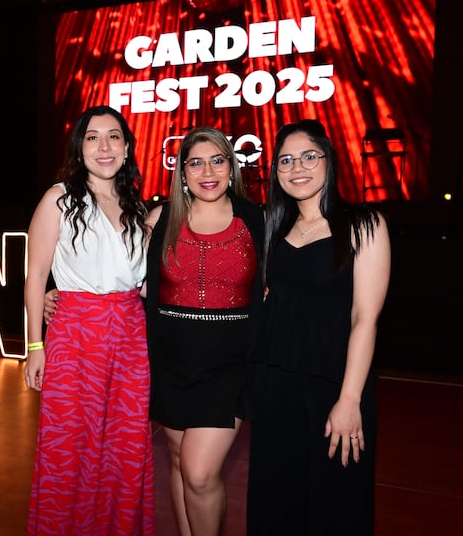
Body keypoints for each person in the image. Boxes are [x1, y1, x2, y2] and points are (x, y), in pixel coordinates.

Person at [246, 119, 391, 536]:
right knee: (277, 506)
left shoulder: (364, 224)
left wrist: (350, 400)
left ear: (329, 161)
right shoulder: (274, 230)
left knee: (336, 508)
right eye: (286, 160)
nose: (297, 167)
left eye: (309, 156)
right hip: (276, 391)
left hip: (336, 388)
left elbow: (365, 318)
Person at [23, 105, 155, 535]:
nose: (104, 146)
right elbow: (36, 276)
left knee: (126, 446)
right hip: (75, 335)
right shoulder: (59, 199)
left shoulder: (137, 206)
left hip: (131, 338)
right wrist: (35, 346)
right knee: (70, 450)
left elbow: (143, 285)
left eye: (113, 136)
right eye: (92, 136)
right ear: (80, 147)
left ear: (127, 146)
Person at [144, 126, 265, 536]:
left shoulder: (257, 220)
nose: (207, 171)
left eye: (217, 160)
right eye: (196, 162)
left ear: (232, 168)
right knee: (179, 462)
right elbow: (120, 275)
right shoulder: (160, 219)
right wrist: (61, 293)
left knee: (199, 473)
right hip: (170, 363)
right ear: (182, 173)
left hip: (229, 369)